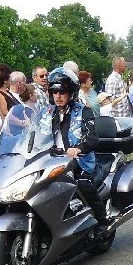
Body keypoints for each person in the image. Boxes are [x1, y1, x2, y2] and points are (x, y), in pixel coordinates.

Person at [47, 67, 112, 237]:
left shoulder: (83, 111)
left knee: (83, 183)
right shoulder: (46, 113)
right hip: (51, 161)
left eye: (62, 91)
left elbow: (92, 137)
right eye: (54, 91)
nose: (58, 96)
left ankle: (103, 221)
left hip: (80, 161)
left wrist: (79, 149)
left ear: (71, 92)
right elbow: (34, 134)